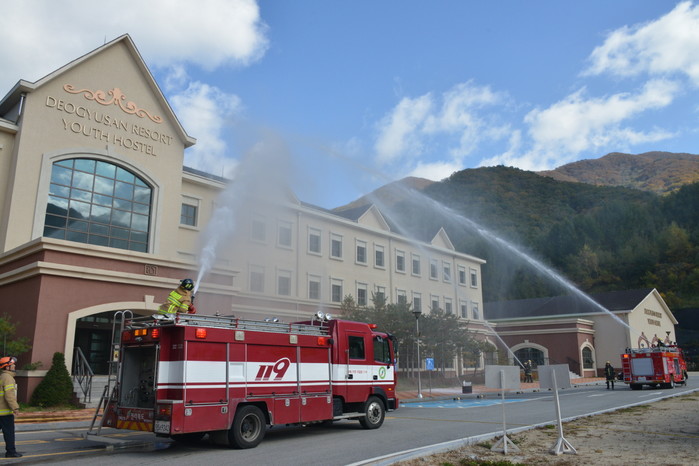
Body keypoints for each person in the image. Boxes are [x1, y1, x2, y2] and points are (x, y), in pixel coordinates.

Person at [0, 356, 21, 458]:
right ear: (7, 367)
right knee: (9, 433)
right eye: (12, 365)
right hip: (5, 413)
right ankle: (11, 452)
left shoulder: (2, 376)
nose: (14, 366)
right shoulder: (8, 378)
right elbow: (9, 395)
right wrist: (15, 408)